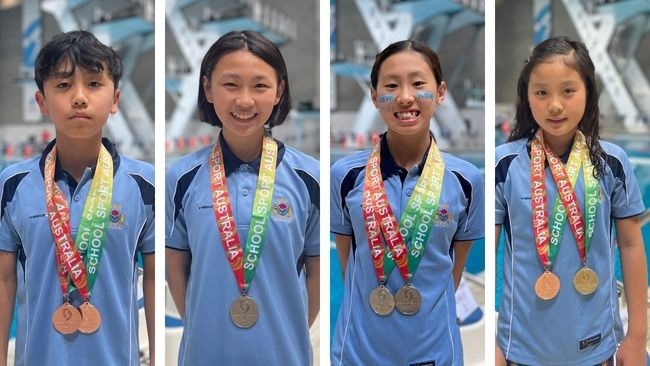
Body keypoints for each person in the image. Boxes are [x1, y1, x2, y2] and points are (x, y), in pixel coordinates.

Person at [0, 30, 154, 366]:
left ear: (115, 100)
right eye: (64, 85)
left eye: (94, 84)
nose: (79, 97)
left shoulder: (145, 184)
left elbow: (155, 278)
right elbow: (4, 279)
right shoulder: (12, 185)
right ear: (42, 101)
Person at [165, 30, 320, 365]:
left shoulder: (310, 178)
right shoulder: (181, 178)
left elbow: (317, 276)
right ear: (208, 89)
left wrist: (283, 328)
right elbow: (175, 272)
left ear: (279, 90)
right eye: (231, 85)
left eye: (260, 86)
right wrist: (205, 325)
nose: (245, 100)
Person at [330, 39, 485, 365]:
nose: (404, 97)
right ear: (374, 96)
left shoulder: (467, 180)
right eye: (390, 85)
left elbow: (452, 272)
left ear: (440, 93)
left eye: (418, 84)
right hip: (358, 351)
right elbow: (349, 262)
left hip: (434, 352)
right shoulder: (345, 175)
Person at [495, 36, 647, 365]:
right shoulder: (503, 165)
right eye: (542, 92)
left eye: (567, 90)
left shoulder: (612, 162)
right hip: (521, 349)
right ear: (527, 98)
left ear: (588, 93)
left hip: (599, 346)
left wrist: (636, 337)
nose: (555, 105)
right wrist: (492, 345)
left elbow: (632, 246)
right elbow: (491, 252)